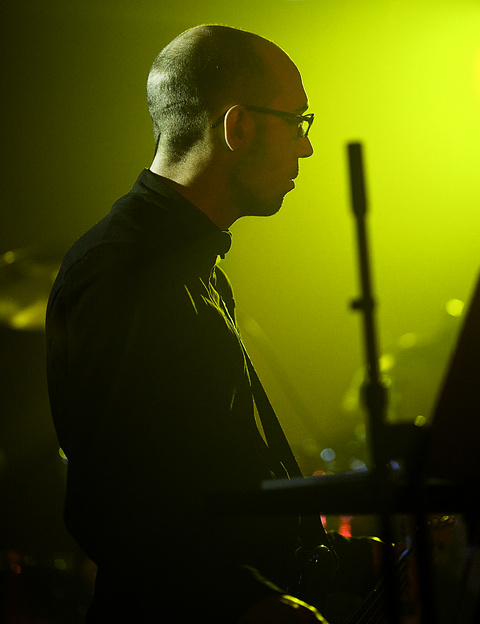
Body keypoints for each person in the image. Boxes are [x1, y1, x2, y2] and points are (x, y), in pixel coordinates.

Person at [46, 24, 380, 623]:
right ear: (238, 127)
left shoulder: (188, 265)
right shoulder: (124, 270)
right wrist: (248, 602)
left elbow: (213, 490)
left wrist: (350, 561)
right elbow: (116, 505)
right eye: (297, 122)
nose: (306, 148)